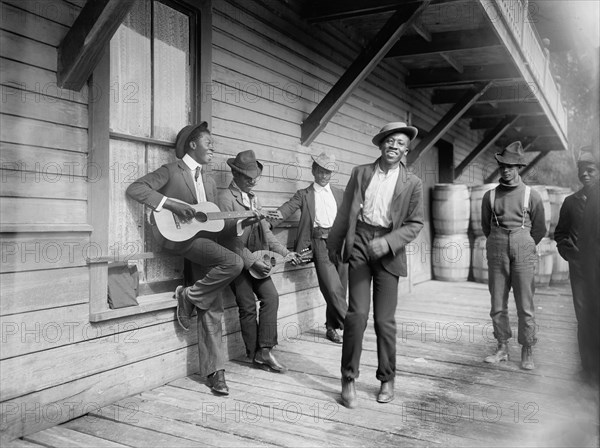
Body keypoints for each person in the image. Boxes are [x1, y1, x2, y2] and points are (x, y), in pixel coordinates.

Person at [126, 122, 243, 396]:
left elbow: (212, 221)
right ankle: (188, 297)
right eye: (208, 142)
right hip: (178, 239)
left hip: (203, 242)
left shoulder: (210, 180)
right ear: (193, 144)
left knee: (213, 304)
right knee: (233, 263)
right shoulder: (171, 170)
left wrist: (244, 221)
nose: (213, 147)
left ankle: (215, 372)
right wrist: (171, 204)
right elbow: (136, 189)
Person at [327, 122, 424, 408]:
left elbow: (416, 223)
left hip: (388, 250)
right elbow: (346, 211)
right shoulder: (361, 173)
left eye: (401, 144)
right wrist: (333, 245)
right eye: (390, 141)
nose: (394, 147)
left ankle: (387, 378)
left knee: (384, 320)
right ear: (381, 144)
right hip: (359, 242)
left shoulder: (413, 183)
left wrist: (390, 241)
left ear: (406, 150)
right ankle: (348, 379)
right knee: (356, 314)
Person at [218, 150, 300, 373]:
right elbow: (227, 238)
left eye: (255, 177)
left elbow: (266, 231)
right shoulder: (225, 199)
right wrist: (251, 260)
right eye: (247, 177)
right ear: (235, 174)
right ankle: (255, 355)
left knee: (270, 297)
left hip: (257, 260)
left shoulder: (254, 199)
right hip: (236, 261)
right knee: (246, 307)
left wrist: (285, 252)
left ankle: (264, 350)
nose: (252, 181)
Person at [268, 152, 348, 344]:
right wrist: (266, 222)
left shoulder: (340, 193)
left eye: (328, 172)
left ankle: (331, 327)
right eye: (320, 171)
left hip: (342, 243)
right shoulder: (304, 195)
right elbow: (285, 210)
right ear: (313, 170)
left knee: (340, 288)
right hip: (320, 243)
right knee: (332, 287)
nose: (324, 175)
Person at [481, 141, 546, 371]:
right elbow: (485, 227)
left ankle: (527, 348)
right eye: (502, 167)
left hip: (523, 248)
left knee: (525, 304)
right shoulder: (489, 196)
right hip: (497, 247)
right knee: (497, 302)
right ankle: (502, 347)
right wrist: (500, 241)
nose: (506, 171)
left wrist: (524, 243)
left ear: (519, 167)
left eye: (510, 166)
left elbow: (540, 229)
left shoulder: (532, 195)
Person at [554, 149, 599, 380]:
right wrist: (569, 252)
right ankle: (588, 368)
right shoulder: (571, 202)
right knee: (583, 316)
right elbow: (560, 234)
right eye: (582, 172)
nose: (586, 175)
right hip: (580, 270)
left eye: (591, 170)